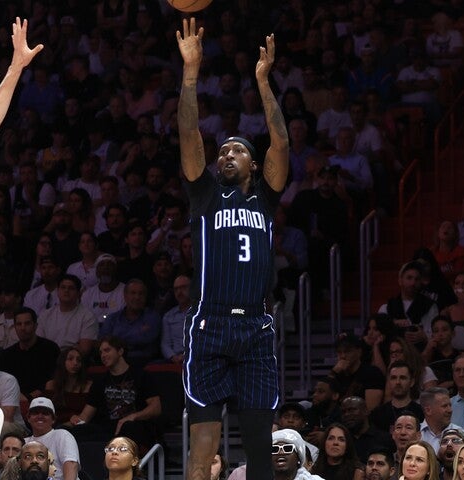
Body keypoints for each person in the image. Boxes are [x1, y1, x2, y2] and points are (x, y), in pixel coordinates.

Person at [176, 18, 290, 480]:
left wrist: (264, 82)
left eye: (236, 150)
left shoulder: (266, 193)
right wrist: (190, 75)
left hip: (257, 327)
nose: (225, 154)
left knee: (261, 451)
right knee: (202, 452)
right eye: (222, 150)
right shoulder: (204, 194)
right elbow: (187, 134)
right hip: (210, 324)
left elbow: (280, 139)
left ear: (253, 163)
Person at [69, 336, 161, 451]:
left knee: (129, 427)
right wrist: (76, 419)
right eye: (101, 352)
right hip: (108, 430)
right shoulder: (100, 382)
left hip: (135, 427)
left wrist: (133, 416)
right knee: (78, 431)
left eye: (107, 350)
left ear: (120, 351)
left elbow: (156, 408)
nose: (103, 355)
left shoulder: (141, 375)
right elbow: (85, 416)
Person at [0, 307, 60, 402]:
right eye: (19, 324)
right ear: (14, 327)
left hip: (44, 402)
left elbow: (54, 380)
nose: (23, 328)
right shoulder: (7, 355)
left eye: (27, 323)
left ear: (35, 325)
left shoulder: (50, 349)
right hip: (15, 402)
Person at [23, 398, 79, 480]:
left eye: (45, 413)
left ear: (53, 419)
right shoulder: (24, 442)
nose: (40, 416)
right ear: (28, 418)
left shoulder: (62, 435)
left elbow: (71, 464)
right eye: (35, 413)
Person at [43, 347, 92, 426]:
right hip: (55, 425)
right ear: (62, 362)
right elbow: (47, 411)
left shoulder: (88, 385)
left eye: (79, 360)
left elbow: (88, 413)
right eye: (70, 359)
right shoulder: (51, 385)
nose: (75, 363)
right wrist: (70, 417)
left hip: (79, 425)